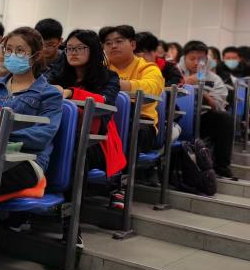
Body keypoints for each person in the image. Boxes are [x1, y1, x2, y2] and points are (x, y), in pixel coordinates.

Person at [0, 27, 63, 198]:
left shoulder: (49, 94)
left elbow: (42, 136)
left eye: (20, 51)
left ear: (36, 56)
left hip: (25, 160)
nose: (12, 55)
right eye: (8, 50)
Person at [45, 30, 124, 179]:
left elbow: (105, 101)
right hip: (55, 130)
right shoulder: (56, 73)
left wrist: (72, 93)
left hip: (95, 139)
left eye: (80, 48)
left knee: (70, 149)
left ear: (93, 50)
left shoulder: (109, 77)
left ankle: (70, 194)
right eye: (69, 48)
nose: (73, 53)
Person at [99, 25, 164, 154]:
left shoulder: (148, 68)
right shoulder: (100, 68)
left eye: (119, 41)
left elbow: (152, 87)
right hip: (106, 117)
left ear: (133, 45)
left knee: (128, 134)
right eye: (108, 43)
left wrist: (114, 84)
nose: (113, 46)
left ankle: (122, 167)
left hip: (141, 121)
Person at [178, 41, 234, 178]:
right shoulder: (175, 71)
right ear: (184, 58)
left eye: (201, 59)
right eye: (192, 58)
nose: (196, 63)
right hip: (176, 117)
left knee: (225, 119)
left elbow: (218, 105)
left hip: (202, 118)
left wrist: (202, 92)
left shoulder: (214, 78)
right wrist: (184, 83)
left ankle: (221, 167)